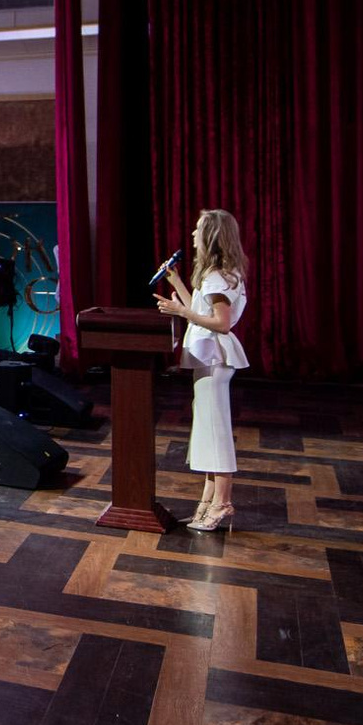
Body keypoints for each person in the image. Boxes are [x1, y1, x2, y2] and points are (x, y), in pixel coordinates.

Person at [157, 208, 251, 534]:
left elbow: (220, 323)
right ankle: (207, 502)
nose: (194, 235)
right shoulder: (220, 273)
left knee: (216, 433)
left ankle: (222, 502)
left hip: (214, 357)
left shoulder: (216, 277)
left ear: (211, 235)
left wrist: (179, 309)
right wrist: (178, 284)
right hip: (209, 360)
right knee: (208, 432)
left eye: (198, 230)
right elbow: (200, 312)